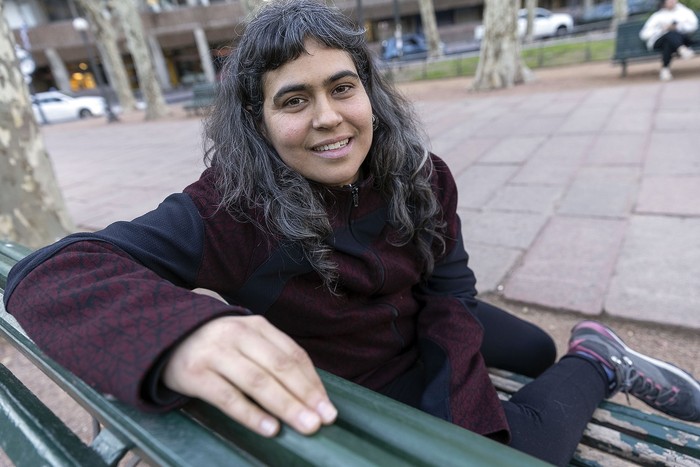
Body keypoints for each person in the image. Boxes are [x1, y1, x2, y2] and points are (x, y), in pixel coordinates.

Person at [4, 0, 700, 465]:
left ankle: (565, 351)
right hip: (363, 368)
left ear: (369, 92)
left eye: (342, 88)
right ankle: (603, 358)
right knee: (519, 449)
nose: (330, 117)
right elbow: (49, 273)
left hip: (422, 315)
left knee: (532, 345)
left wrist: (453, 353)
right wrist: (182, 330)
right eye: (294, 100)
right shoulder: (224, 208)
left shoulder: (425, 173)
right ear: (257, 121)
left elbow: (453, 289)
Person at [639, 0, 698, 81]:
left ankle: (665, 70)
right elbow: (644, 34)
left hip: (680, 39)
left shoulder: (685, 12)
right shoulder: (657, 16)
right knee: (669, 35)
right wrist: (662, 30)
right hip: (660, 40)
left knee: (669, 41)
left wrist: (678, 27)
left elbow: (693, 26)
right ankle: (682, 49)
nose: (671, 2)